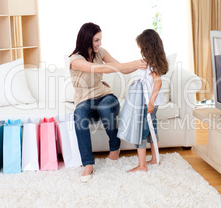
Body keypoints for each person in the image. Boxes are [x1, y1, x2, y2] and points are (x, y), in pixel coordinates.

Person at [69, 22, 147, 182]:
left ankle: (114, 146)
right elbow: (98, 69)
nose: (100, 43)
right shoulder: (74, 60)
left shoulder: (101, 52)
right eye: (96, 40)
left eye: (100, 39)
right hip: (84, 100)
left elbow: (121, 68)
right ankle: (88, 164)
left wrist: (140, 64)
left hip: (104, 94)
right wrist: (133, 64)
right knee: (79, 115)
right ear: (86, 39)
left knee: (106, 107)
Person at [127, 29, 169, 172]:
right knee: (151, 131)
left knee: (141, 133)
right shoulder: (152, 63)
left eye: (141, 48)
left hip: (148, 104)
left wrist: (150, 102)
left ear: (147, 47)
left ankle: (142, 165)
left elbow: (158, 83)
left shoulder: (151, 65)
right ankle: (155, 159)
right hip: (151, 104)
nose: (140, 51)